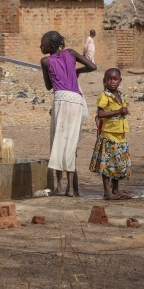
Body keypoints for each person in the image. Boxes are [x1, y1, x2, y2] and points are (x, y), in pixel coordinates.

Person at [40, 30, 97, 196]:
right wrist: (77, 71)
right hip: (77, 101)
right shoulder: (71, 53)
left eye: (42, 45)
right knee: (71, 145)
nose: (40, 47)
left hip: (60, 100)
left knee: (58, 141)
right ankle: (71, 189)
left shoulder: (45, 61)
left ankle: (58, 187)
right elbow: (92, 66)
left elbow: (49, 86)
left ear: (50, 46)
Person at [89, 67, 132, 200]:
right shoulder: (104, 96)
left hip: (120, 135)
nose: (112, 81)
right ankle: (107, 192)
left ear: (120, 81)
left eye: (115, 79)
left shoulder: (121, 96)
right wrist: (118, 111)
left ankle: (116, 190)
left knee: (117, 164)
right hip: (108, 135)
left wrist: (123, 111)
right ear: (104, 81)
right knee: (107, 165)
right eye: (109, 79)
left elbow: (123, 110)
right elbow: (100, 113)